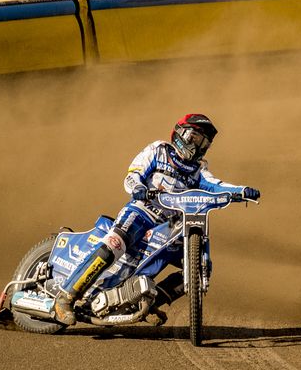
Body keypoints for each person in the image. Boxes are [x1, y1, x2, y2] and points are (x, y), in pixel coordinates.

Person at [53, 113, 260, 325]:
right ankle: (65, 298)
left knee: (200, 267)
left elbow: (216, 185)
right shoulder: (158, 150)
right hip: (142, 211)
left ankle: (149, 302)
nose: (198, 146)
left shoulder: (199, 169)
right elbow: (133, 175)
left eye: (204, 143)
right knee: (114, 243)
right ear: (181, 134)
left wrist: (242, 191)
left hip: (169, 224)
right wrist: (139, 187)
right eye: (195, 138)